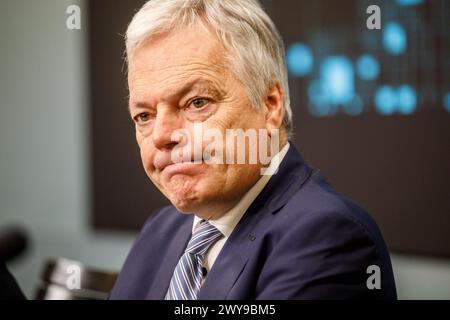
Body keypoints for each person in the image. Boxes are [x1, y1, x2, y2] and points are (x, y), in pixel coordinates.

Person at [110, 0, 396, 299]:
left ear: (270, 105)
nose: (162, 136)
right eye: (144, 116)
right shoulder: (161, 229)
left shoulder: (328, 236)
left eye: (197, 102)